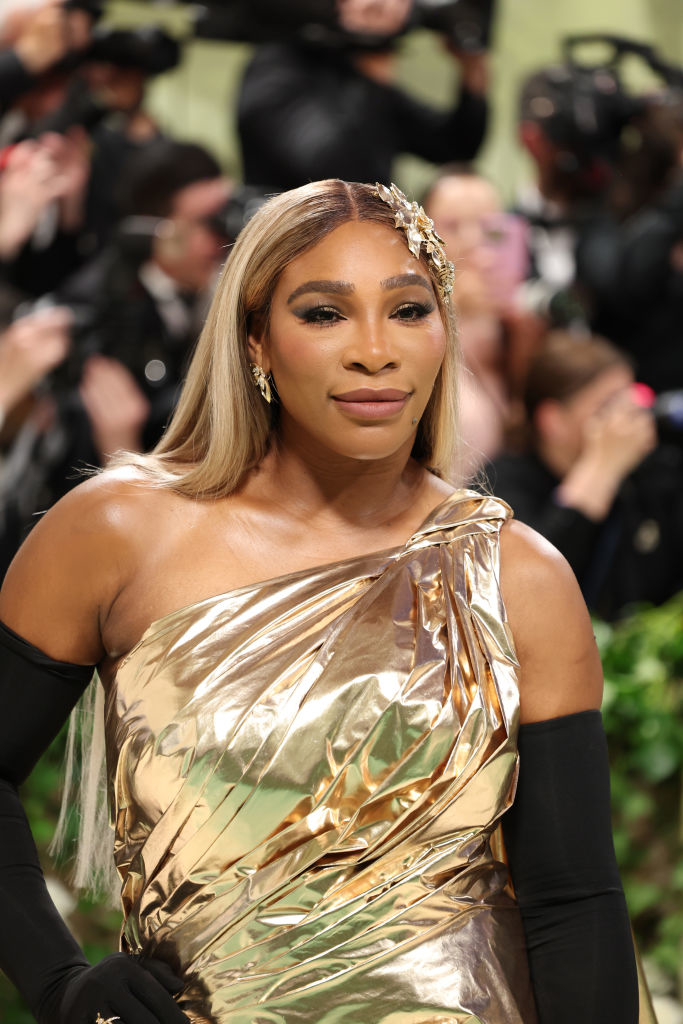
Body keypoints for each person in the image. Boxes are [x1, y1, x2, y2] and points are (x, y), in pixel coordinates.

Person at [0, 179, 641, 1023]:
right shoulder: (116, 532)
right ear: (255, 340)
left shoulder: (519, 574)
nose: (374, 350)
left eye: (408, 310)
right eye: (324, 314)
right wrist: (58, 983)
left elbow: (572, 899)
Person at [486, 331, 683, 620]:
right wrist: (601, 469)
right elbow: (528, 590)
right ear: (553, 421)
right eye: (606, 407)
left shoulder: (654, 472)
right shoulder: (500, 485)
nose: (626, 418)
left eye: (628, 400)